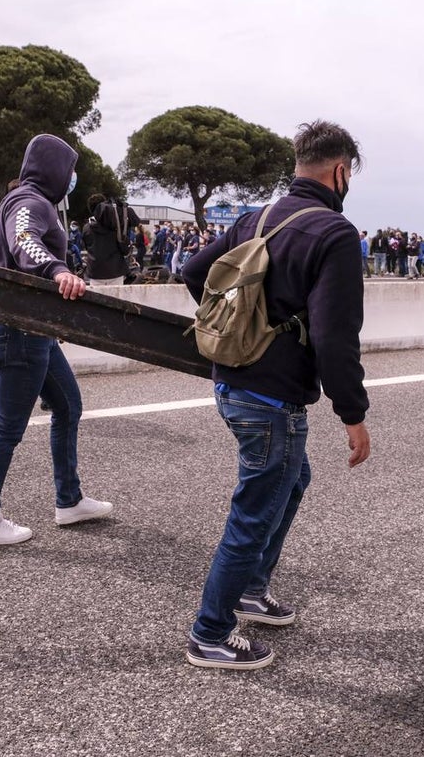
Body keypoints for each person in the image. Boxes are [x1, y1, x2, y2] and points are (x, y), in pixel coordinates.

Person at [181, 120, 371, 670]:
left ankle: (251, 588)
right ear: (341, 172)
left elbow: (194, 272)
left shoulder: (254, 219)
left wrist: (244, 322)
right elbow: (335, 336)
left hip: (231, 380)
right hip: (273, 398)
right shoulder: (335, 233)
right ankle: (210, 634)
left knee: (292, 478)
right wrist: (353, 414)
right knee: (255, 510)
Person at [0, 133, 111, 547]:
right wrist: (57, 271)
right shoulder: (31, 202)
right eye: (70, 170)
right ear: (55, 169)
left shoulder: (25, 199)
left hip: (33, 332)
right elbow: (24, 240)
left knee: (68, 407)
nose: (72, 179)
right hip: (21, 333)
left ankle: (70, 500)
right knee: (7, 429)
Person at [82, 194, 136, 285]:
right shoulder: (116, 226)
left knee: (95, 295)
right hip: (116, 270)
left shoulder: (86, 228)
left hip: (95, 272)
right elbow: (124, 247)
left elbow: (86, 247)